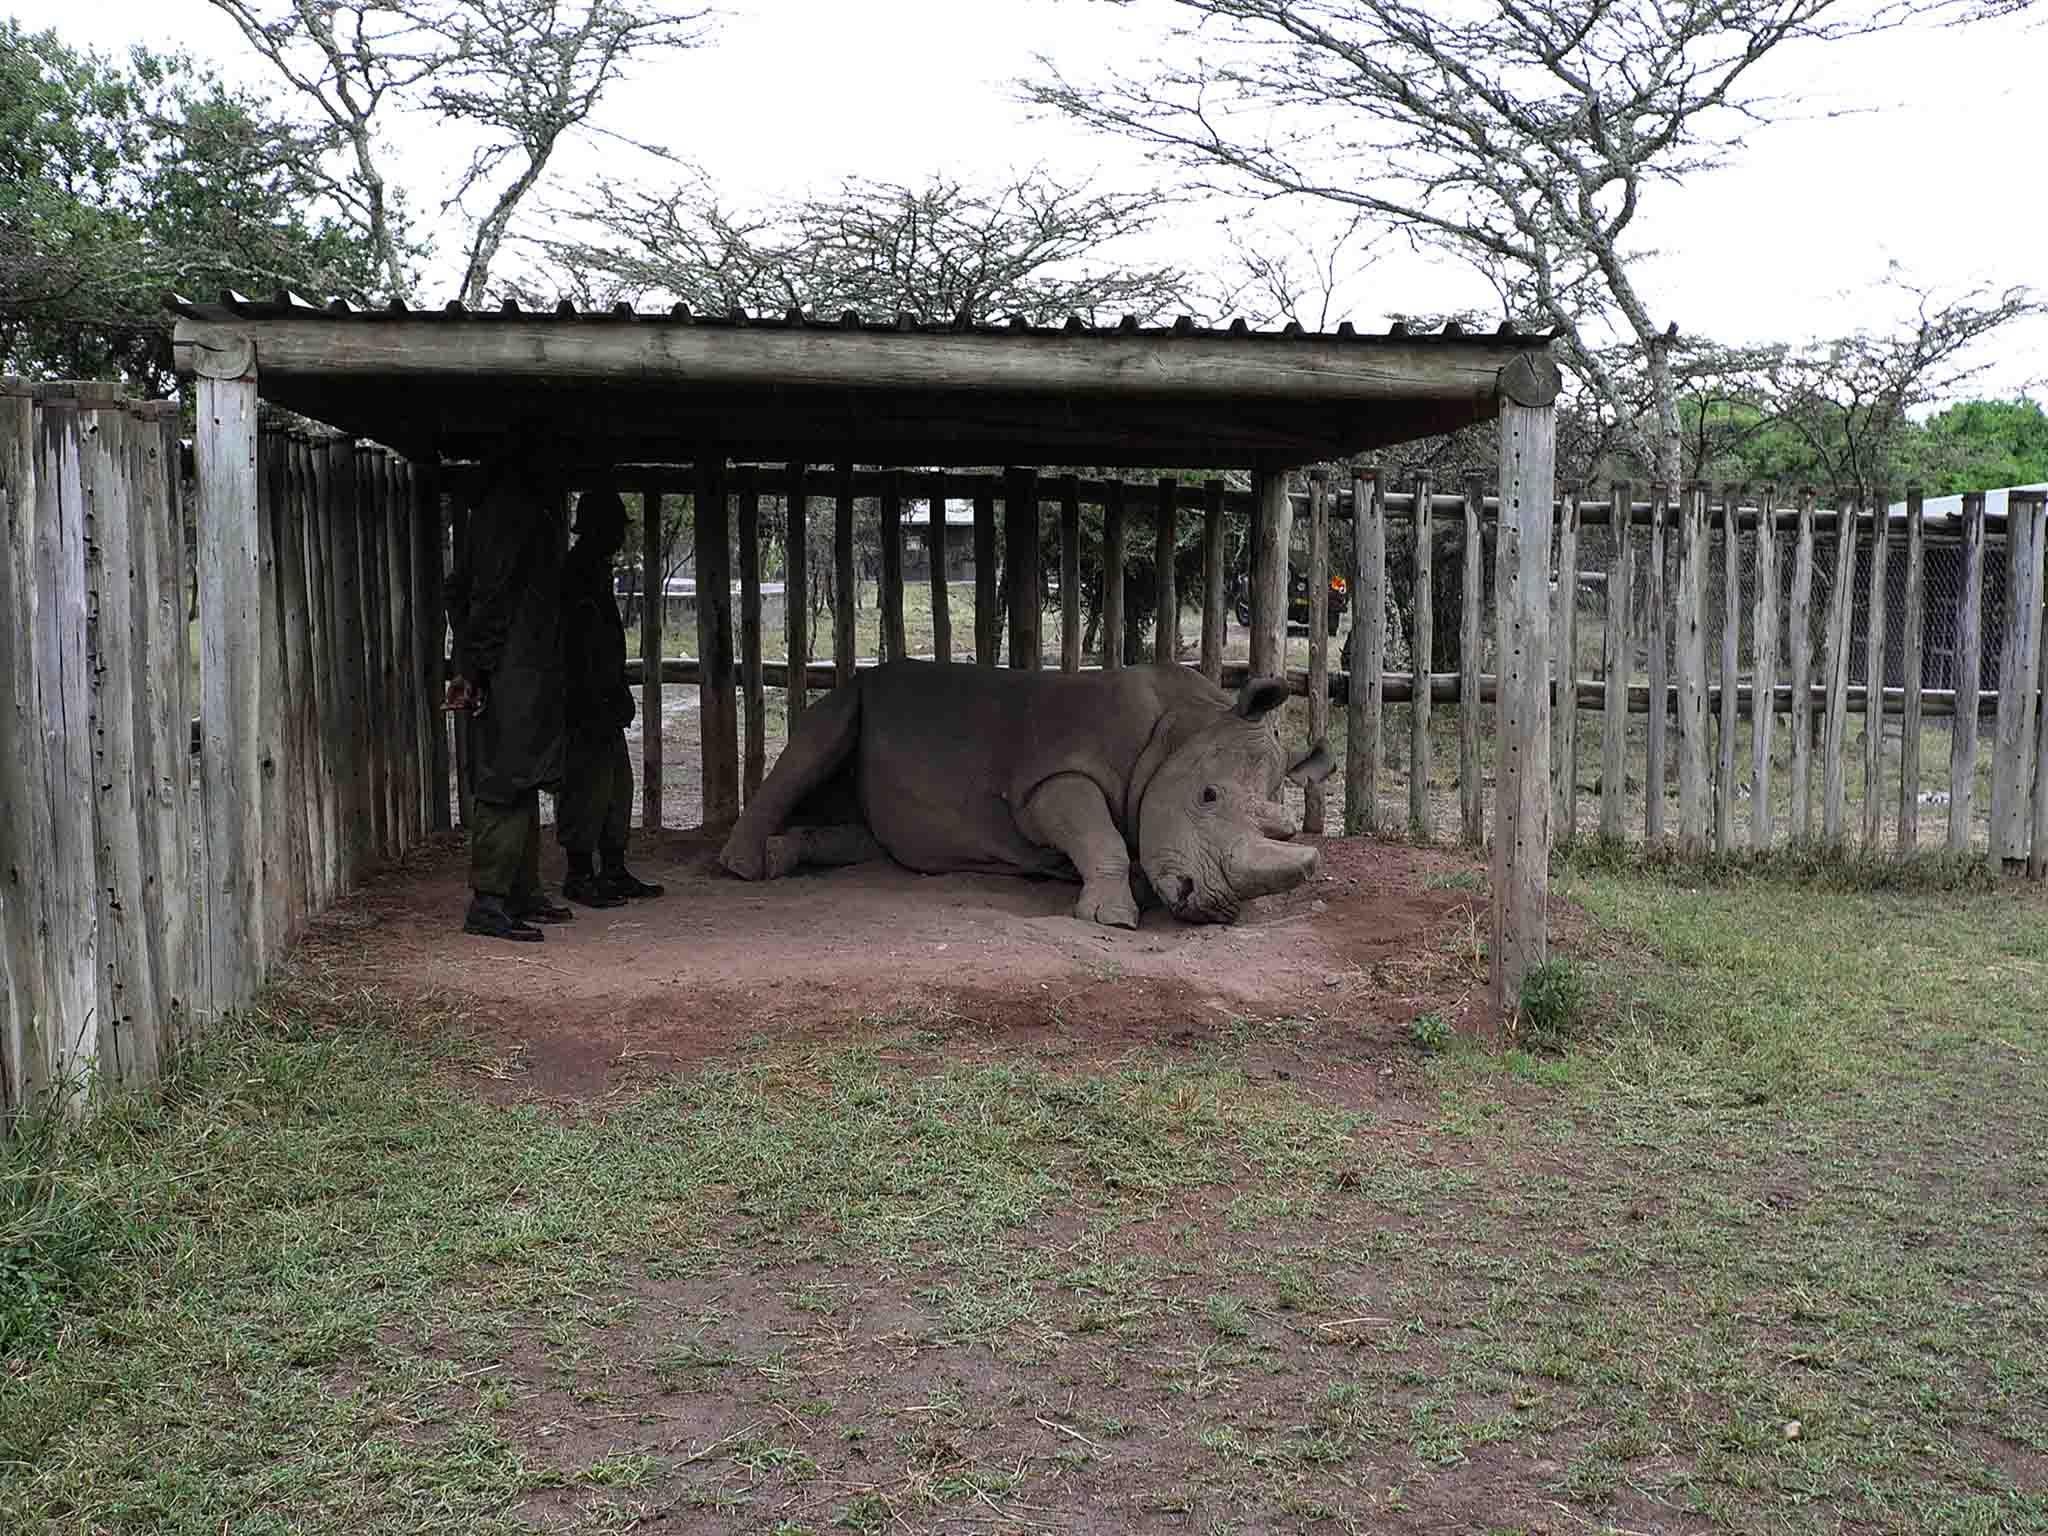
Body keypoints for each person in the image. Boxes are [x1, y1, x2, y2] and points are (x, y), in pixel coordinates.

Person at [446, 431, 572, 942]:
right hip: (510, 673)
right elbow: (486, 600)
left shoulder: (519, 512)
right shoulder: (505, 514)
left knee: (522, 780)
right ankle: (489, 901)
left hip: (525, 670)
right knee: (504, 781)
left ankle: (518, 893)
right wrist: (474, 671)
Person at [557, 489, 665, 906]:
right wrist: (594, 695)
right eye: (616, 527)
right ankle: (580, 873)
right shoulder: (578, 572)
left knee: (617, 784)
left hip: (601, 696)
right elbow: (580, 646)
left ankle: (613, 869)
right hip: (584, 700)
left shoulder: (594, 569)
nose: (621, 536)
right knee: (586, 785)